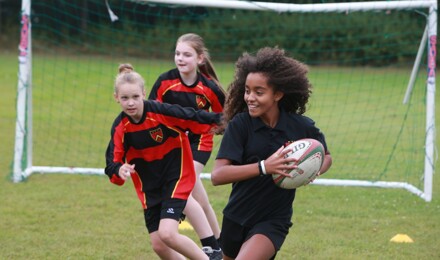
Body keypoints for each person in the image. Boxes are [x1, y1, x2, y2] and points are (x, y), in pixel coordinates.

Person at [211, 47, 333, 260]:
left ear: (278, 94)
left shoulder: (300, 127)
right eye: (247, 90)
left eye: (259, 92)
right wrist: (264, 167)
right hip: (236, 215)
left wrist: (313, 170)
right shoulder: (240, 125)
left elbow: (326, 156)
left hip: (273, 219)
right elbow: (217, 175)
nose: (250, 97)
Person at [105, 64, 223, 260]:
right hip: (150, 187)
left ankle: (213, 255)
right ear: (116, 98)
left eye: (135, 97)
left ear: (144, 93)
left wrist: (225, 120)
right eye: (125, 98)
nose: (131, 103)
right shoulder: (120, 127)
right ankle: (212, 248)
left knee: (168, 233)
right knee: (160, 245)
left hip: (175, 177)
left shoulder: (160, 111)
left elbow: (193, 116)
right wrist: (120, 169)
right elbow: (111, 163)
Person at [148, 33, 225, 243]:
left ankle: (210, 246)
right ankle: (220, 242)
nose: (180, 58)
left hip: (199, 142)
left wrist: (214, 128)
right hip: (173, 145)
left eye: (187, 55)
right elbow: (151, 114)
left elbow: (225, 117)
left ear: (200, 59)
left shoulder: (209, 88)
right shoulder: (165, 82)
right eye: (177, 53)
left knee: (182, 184)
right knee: (199, 198)